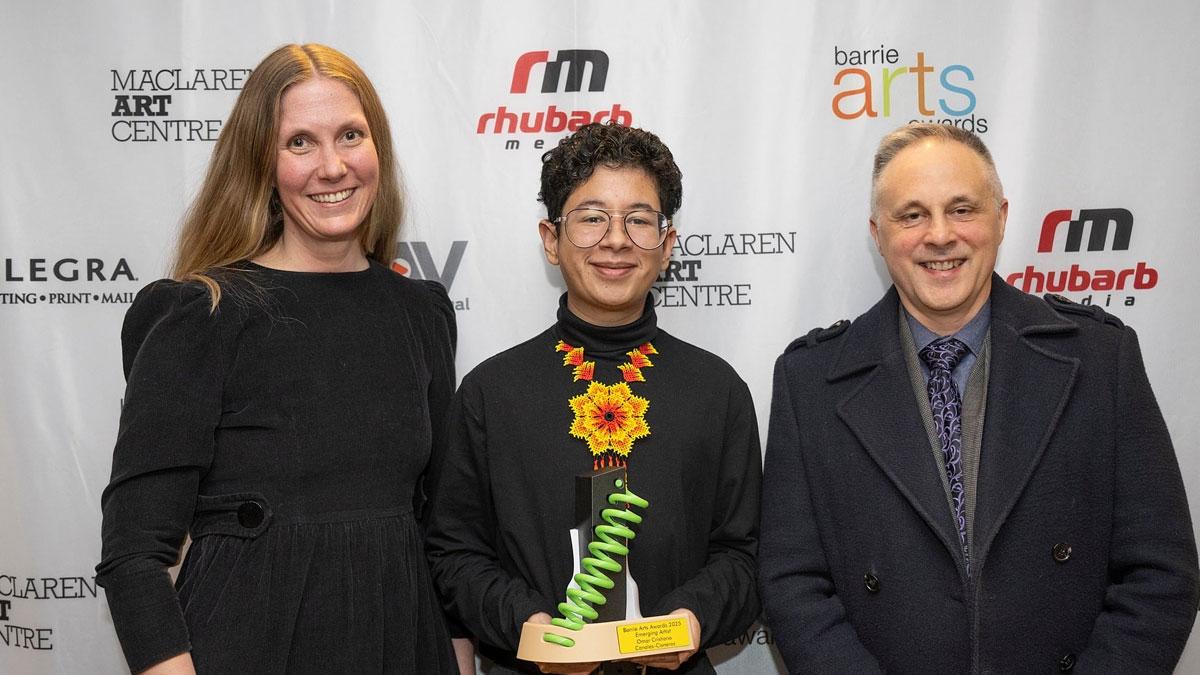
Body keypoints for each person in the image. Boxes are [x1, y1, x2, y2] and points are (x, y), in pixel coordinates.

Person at [758, 123, 1199, 672]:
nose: (940, 235)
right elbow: (792, 583)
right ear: (878, 233)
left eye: (962, 209)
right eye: (911, 215)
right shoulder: (811, 381)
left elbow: (1160, 574)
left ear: (1001, 217)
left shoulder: (1100, 360)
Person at [96, 44, 459, 674]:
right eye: (299, 143)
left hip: (404, 644)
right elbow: (135, 553)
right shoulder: (200, 314)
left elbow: (442, 532)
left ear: (379, 149)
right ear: (262, 164)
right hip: (245, 647)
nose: (332, 166)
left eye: (351, 134)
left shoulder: (422, 313)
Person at [425, 122, 761, 674]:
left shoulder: (716, 390)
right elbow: (454, 554)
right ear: (551, 240)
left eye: (639, 219)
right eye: (591, 217)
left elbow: (743, 557)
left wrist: (691, 619)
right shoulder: (491, 392)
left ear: (667, 243)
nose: (616, 239)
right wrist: (527, 626)